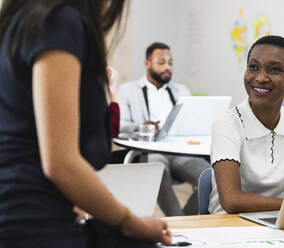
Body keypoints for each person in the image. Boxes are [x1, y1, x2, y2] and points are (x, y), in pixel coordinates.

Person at [0, 1, 171, 247]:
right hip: (29, 221)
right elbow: (61, 165)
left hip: (32, 210)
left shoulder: (31, 18)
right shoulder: (58, 22)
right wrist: (134, 223)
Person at [209, 35, 284, 214]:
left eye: (274, 70)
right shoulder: (228, 122)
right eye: (253, 67)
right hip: (229, 226)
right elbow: (232, 200)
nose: (260, 77)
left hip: (283, 223)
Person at [117, 42, 210, 216]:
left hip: (180, 151)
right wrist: (142, 127)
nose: (167, 67)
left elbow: (191, 123)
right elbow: (119, 124)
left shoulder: (182, 91)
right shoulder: (128, 90)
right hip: (149, 150)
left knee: (212, 177)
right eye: (161, 62)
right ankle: (178, 223)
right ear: (147, 63)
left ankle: (186, 221)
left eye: (170, 63)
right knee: (158, 171)